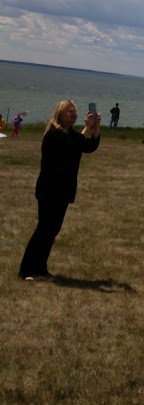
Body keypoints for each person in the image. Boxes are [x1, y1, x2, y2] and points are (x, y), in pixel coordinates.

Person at [19, 100, 101, 280]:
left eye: (75, 112)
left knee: (52, 230)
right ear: (60, 114)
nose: (74, 114)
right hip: (50, 189)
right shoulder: (54, 134)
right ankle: (27, 270)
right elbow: (70, 146)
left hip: (64, 190)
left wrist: (95, 129)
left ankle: (40, 268)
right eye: (69, 112)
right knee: (44, 229)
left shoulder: (72, 134)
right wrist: (86, 128)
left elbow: (88, 146)